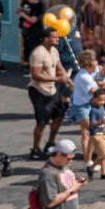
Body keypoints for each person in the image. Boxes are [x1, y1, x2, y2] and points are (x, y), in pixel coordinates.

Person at [28, 31, 72, 159]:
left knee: (59, 115)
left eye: (58, 37)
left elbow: (59, 67)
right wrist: (57, 79)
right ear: (46, 38)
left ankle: (50, 143)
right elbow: (36, 75)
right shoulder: (38, 53)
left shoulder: (54, 50)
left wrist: (69, 81)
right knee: (41, 122)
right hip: (39, 91)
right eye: (54, 37)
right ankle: (35, 150)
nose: (58, 39)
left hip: (53, 90)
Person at [67, 49, 102, 162]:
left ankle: (89, 158)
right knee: (88, 132)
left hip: (88, 105)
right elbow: (94, 92)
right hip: (82, 107)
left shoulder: (88, 73)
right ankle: (87, 160)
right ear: (89, 63)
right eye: (95, 60)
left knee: (89, 132)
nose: (97, 62)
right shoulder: (84, 77)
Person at [85, 89, 105, 179]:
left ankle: (104, 173)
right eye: (100, 100)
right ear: (94, 99)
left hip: (103, 133)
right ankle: (91, 167)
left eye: (104, 100)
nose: (102, 102)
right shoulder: (93, 111)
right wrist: (101, 121)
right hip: (96, 134)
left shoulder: (102, 108)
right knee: (104, 154)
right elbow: (92, 124)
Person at [18, 0, 46, 68]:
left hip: (35, 31)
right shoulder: (39, 5)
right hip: (35, 31)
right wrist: (26, 11)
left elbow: (33, 20)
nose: (28, 0)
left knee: (34, 50)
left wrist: (23, 15)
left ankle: (35, 68)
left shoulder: (37, 6)